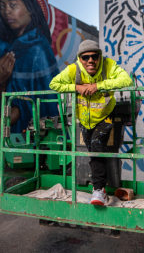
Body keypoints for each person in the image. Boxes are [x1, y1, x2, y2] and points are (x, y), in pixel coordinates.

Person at [50, 40, 132, 205]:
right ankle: (101, 189)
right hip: (84, 120)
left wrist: (98, 86)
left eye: (94, 56)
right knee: (93, 151)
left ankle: (98, 190)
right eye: (85, 57)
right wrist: (77, 88)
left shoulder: (108, 65)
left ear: (99, 56)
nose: (90, 61)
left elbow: (127, 81)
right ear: (80, 59)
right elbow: (54, 84)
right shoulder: (74, 70)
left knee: (96, 146)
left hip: (105, 115)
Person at [0, 0, 59, 132]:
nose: (6, 11)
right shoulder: (6, 47)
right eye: (2, 6)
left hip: (29, 139)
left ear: (29, 8)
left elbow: (33, 107)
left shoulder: (37, 51)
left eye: (13, 5)